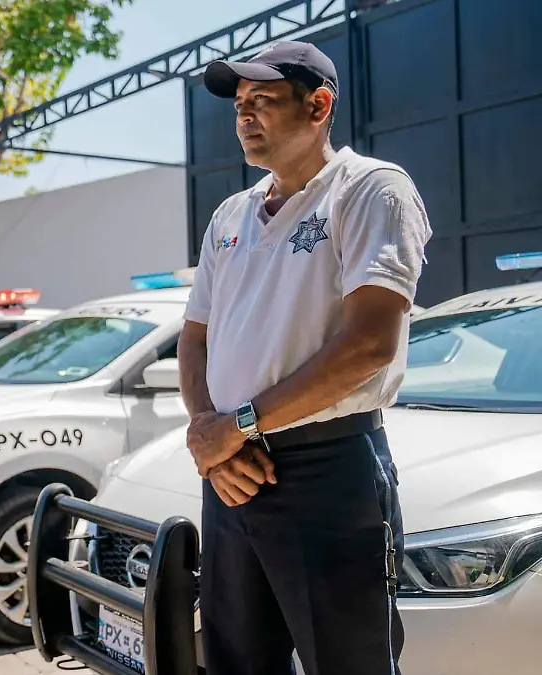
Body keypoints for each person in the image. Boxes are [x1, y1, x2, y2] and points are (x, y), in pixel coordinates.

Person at [178, 41, 431, 675]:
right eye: (239, 103)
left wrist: (235, 427)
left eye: (262, 99)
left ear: (318, 106)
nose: (244, 114)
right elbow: (195, 337)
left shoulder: (370, 190)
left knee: (347, 661)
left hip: (329, 468)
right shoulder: (230, 214)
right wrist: (209, 435)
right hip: (233, 472)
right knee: (236, 659)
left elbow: (368, 344)